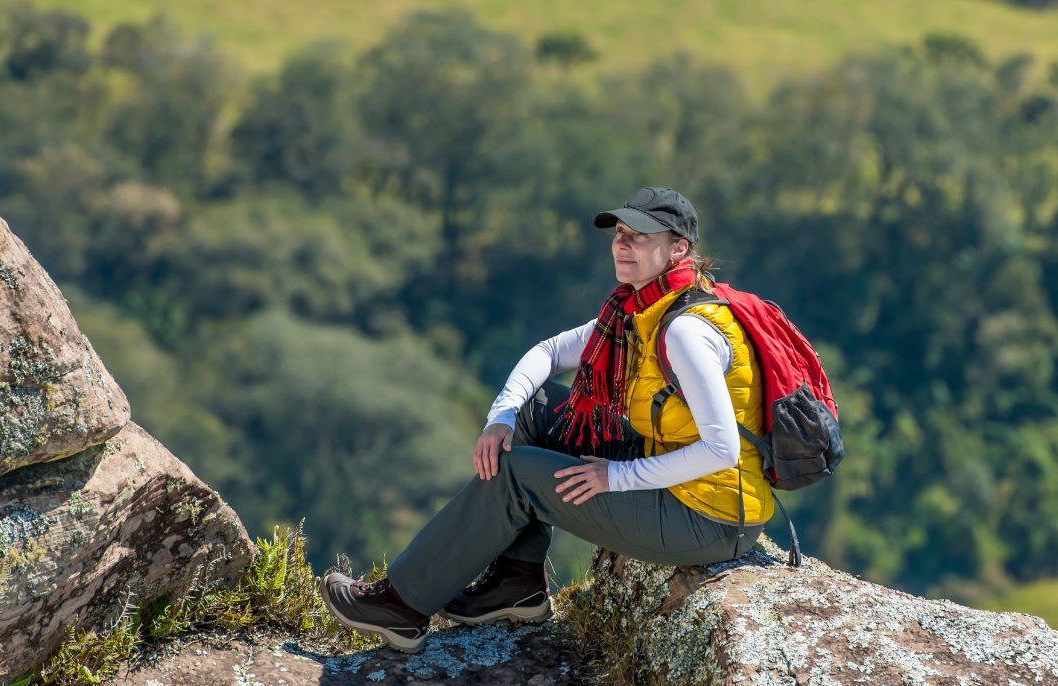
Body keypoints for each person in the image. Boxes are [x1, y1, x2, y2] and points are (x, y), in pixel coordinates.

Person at [320, 187, 774, 653]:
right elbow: (551, 352)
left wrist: (616, 477)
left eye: (639, 237)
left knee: (517, 476)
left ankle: (400, 606)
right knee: (530, 411)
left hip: (709, 519)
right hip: (669, 468)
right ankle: (516, 584)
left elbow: (722, 450)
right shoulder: (639, 310)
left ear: (679, 248)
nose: (622, 244)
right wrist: (501, 416)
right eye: (620, 233)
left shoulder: (684, 330)